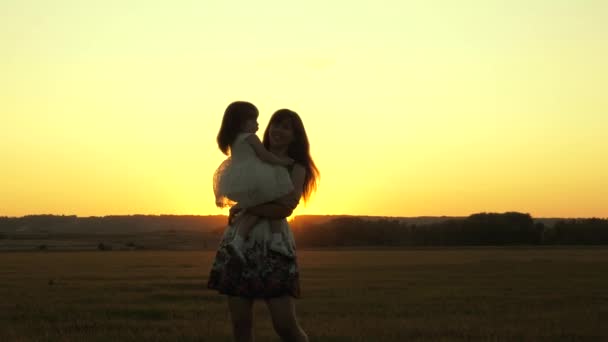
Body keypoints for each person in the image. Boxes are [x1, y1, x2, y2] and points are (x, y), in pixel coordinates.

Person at [208, 108, 319, 342]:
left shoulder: (296, 167)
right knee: (241, 325)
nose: (278, 131)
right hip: (239, 245)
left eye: (286, 127)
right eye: (276, 124)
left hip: (274, 245)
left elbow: (286, 208)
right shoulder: (252, 155)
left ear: (295, 136)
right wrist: (244, 206)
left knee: (285, 326)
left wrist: (246, 207)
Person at [213, 101, 296, 260]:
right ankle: (277, 240)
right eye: (254, 120)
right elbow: (264, 156)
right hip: (256, 177)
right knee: (273, 202)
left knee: (257, 205)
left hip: (237, 179)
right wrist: (282, 163)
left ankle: (238, 240)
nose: (258, 124)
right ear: (242, 122)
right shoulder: (251, 137)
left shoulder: (234, 140)